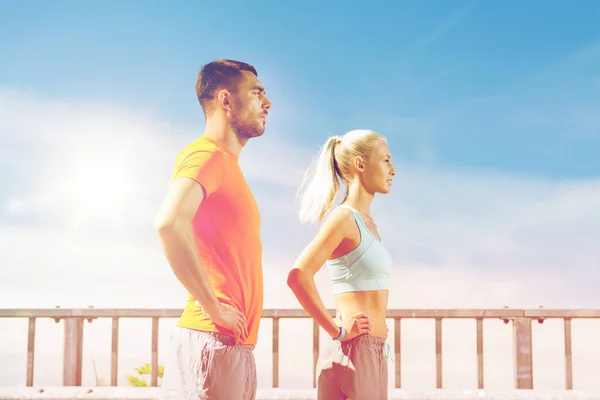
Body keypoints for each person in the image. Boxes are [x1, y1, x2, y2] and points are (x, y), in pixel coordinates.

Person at [154, 59, 271, 400]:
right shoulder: (207, 155)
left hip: (232, 347)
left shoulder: (227, 164)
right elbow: (169, 223)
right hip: (213, 341)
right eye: (257, 92)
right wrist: (213, 307)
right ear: (226, 100)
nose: (268, 103)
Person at [287, 129, 396, 400]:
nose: (393, 170)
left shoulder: (369, 225)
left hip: (373, 350)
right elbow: (298, 275)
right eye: (385, 160)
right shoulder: (344, 219)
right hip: (354, 351)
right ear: (360, 164)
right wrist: (337, 331)